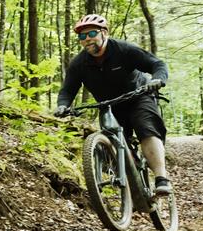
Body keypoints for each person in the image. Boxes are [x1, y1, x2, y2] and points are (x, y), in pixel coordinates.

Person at [54, 14, 172, 196]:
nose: (87, 39)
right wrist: (63, 105)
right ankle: (129, 186)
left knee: (146, 129)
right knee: (110, 145)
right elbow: (67, 90)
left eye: (92, 33)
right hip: (110, 106)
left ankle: (161, 179)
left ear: (104, 33)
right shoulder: (79, 64)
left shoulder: (123, 50)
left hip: (138, 97)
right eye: (82, 36)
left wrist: (157, 80)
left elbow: (157, 64)